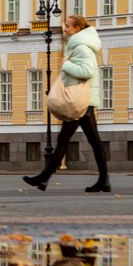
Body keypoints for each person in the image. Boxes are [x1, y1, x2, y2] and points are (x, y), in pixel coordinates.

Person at [22, 16, 110, 193]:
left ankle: (43, 178)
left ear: (77, 28)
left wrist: (67, 65)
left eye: (68, 26)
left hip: (79, 101)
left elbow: (87, 71)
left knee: (65, 139)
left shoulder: (82, 47)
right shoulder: (78, 45)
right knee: (93, 141)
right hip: (82, 100)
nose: (65, 29)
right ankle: (103, 181)